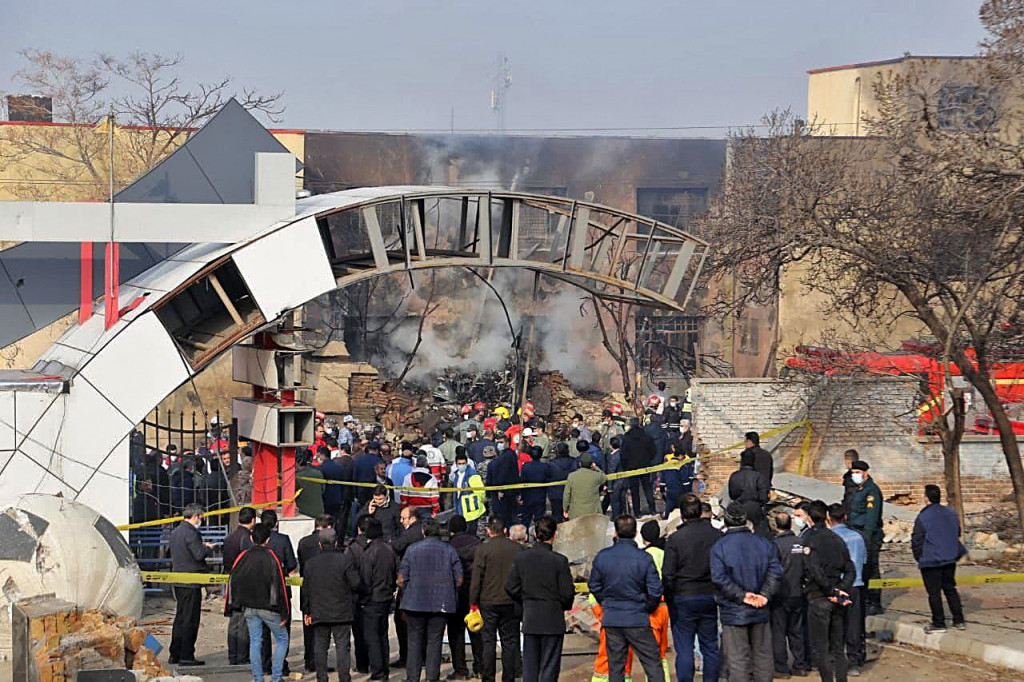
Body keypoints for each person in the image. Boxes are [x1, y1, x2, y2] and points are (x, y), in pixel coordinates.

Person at [710, 501, 783, 682]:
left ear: (726, 521)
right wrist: (764, 595)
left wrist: (742, 596)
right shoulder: (764, 543)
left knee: (737, 659)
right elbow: (776, 572)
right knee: (763, 656)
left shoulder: (719, 547)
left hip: (734, 609)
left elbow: (719, 578)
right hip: (759, 607)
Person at [589, 515, 666, 682]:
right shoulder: (644, 558)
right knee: (652, 664)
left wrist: (606, 603)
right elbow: (655, 589)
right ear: (635, 532)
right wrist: (647, 607)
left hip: (613, 618)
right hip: (637, 617)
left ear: (615, 533)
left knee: (616, 667)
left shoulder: (603, 556)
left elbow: (594, 585)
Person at [506, 516, 575, 682]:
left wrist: (526, 599)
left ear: (535, 534)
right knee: (549, 667)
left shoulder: (522, 558)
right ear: (555, 535)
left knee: (530, 667)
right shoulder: (559, 561)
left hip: (531, 617)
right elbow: (567, 593)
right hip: (552, 617)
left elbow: (510, 586)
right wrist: (559, 604)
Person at [663, 493, 722, 682]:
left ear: (682, 515)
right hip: (709, 595)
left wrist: (671, 597)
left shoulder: (675, 539)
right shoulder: (716, 536)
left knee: (685, 647)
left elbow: (668, 574)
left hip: (683, 596)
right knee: (710, 646)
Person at [399, 518, 463, 682]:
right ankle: (432, 677)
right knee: (435, 641)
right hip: (441, 603)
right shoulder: (449, 550)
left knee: (414, 641)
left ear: (423, 532)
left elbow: (401, 578)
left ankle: (412, 677)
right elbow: (459, 579)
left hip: (414, 602)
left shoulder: (412, 549)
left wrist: (406, 591)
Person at [226, 522, 291, 682]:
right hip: (269, 607)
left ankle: (258, 678)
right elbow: (280, 586)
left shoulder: (243, 556)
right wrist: (285, 613)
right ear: (268, 540)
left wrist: (234, 605)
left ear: (251, 538)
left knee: (255, 642)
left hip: (249, 607)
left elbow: (233, 580)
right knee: (282, 639)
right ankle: (276, 677)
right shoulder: (272, 557)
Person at [802, 500, 856, 682]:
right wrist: (840, 590)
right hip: (836, 598)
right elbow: (850, 569)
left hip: (819, 597)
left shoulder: (809, 540)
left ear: (809, 518)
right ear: (826, 516)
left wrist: (831, 591)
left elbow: (814, 570)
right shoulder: (837, 540)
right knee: (838, 648)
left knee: (822, 648)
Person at [300, 527, 361, 682]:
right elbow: (355, 583)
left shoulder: (310, 563)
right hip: (341, 610)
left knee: (320, 646)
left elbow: (306, 590)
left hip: (319, 611)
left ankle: (321, 677)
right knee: (342, 646)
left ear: (320, 544)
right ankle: (344, 677)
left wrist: (306, 611)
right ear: (335, 543)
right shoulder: (345, 560)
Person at [471, 518, 523, 682]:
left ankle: (488, 677)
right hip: (511, 601)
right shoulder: (517, 549)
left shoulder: (483, 549)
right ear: (505, 530)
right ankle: (509, 677)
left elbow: (477, 578)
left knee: (488, 642)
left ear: (488, 531)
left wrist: (473, 602)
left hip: (488, 602)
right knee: (510, 642)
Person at [911, 484, 967, 634]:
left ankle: (939, 622)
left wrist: (919, 557)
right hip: (949, 558)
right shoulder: (951, 513)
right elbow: (957, 532)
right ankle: (958, 620)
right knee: (950, 589)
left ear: (926, 498)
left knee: (934, 593)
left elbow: (917, 539)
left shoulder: (923, 517)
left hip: (930, 560)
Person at [169, 503, 214, 666]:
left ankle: (175, 653)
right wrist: (208, 548)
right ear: (195, 516)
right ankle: (186, 655)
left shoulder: (176, 531)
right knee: (190, 620)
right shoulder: (192, 533)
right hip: (191, 582)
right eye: (201, 518)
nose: (201, 521)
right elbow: (198, 554)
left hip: (179, 580)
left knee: (180, 618)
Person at [828, 503, 867, 675]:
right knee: (854, 624)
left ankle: (836, 660)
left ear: (829, 518)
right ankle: (854, 662)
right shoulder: (857, 537)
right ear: (845, 517)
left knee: (835, 624)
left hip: (836, 587)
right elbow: (864, 561)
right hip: (855, 585)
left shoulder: (829, 538)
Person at [358, 518, 398, 681]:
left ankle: (378, 672)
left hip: (373, 599)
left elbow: (365, 579)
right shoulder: (389, 549)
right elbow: (395, 572)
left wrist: (363, 598)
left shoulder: (369, 552)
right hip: (386, 597)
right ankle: (384, 670)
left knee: (372, 637)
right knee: (382, 636)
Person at [771, 511, 811, 678]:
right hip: (798, 592)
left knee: (779, 632)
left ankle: (781, 668)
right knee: (797, 630)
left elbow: (773, 570)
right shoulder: (800, 542)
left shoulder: (775, 545)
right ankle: (800, 665)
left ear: (776, 525)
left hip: (781, 594)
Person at [260, 509, 297, 676]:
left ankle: (265, 664)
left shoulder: (256, 539)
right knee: (283, 630)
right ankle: (281, 664)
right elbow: (291, 563)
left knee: (263, 631)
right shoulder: (283, 539)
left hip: (261, 590)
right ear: (276, 523)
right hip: (281, 589)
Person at [297, 514, 335, 673]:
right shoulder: (330, 541)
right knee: (323, 631)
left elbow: (300, 563)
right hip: (326, 590)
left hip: (307, 588)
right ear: (329, 527)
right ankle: (320, 663)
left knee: (308, 629)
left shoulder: (303, 542)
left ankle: (309, 661)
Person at [447, 515, 484, 680]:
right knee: (477, 631)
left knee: (456, 634)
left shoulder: (449, 547)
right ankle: (480, 667)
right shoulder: (478, 544)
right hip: (475, 593)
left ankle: (460, 669)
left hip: (456, 594)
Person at [846, 460, 884, 614]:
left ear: (866, 473)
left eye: (858, 472)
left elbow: (871, 518)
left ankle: (874, 602)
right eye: (853, 472)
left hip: (869, 536)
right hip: (856, 534)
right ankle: (864, 599)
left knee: (871, 568)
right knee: (860, 568)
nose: (855, 475)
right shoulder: (858, 490)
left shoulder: (871, 491)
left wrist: (866, 539)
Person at [392, 506, 425, 669]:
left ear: (412, 519)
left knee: (402, 621)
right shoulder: (422, 531)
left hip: (409, 583)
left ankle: (407, 657)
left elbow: (396, 546)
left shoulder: (410, 533)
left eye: (403, 518)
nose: (401, 521)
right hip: (423, 582)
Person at [224, 507, 257, 666]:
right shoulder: (247, 539)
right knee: (244, 620)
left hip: (232, 581)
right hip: (244, 582)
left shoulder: (230, 537)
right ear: (253, 520)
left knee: (234, 619)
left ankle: (232, 655)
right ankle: (242, 655)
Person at [728, 449, 771, 537]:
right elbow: (764, 497)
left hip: (738, 509)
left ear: (741, 461)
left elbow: (732, 495)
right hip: (755, 510)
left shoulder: (734, 476)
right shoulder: (759, 476)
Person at [620, 418, 657, 515]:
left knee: (634, 490)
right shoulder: (647, 436)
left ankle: (637, 512)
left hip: (631, 467)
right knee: (648, 488)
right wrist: (648, 460)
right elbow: (654, 451)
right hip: (645, 466)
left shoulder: (626, 438)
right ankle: (652, 509)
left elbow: (623, 455)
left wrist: (625, 467)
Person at [563, 452, 606, 519]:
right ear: (591, 464)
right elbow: (604, 477)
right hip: (593, 511)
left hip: (576, 512)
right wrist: (596, 467)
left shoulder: (572, 476)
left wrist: (565, 508)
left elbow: (567, 494)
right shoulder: (597, 476)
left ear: (580, 464)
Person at [488, 439, 522, 527]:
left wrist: (500, 489)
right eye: (498, 442)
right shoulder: (508, 455)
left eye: (502, 442)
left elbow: (504, 473)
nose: (499, 444)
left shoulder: (506, 456)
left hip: (506, 491)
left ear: (507, 443)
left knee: (505, 516)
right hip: (510, 490)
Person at [452, 450, 486, 535]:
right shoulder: (456, 475)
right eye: (459, 464)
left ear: (467, 463)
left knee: (471, 533)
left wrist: (479, 502)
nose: (461, 465)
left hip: (471, 510)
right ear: (456, 464)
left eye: (463, 463)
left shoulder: (472, 475)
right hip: (461, 509)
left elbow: (481, 492)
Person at [519, 446, 551, 526]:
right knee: (539, 520)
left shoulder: (526, 467)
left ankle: (525, 533)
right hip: (540, 496)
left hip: (528, 497)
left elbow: (522, 482)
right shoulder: (545, 467)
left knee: (526, 519)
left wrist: (521, 496)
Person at [546, 442, 578, 522]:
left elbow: (548, 478)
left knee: (557, 517)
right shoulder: (574, 462)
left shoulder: (551, 464)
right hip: (571, 492)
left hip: (556, 493)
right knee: (571, 518)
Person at [295, 449, 326, 518]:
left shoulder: (297, 477)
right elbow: (323, 490)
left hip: (304, 512)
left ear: (298, 462)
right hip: (319, 510)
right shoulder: (318, 473)